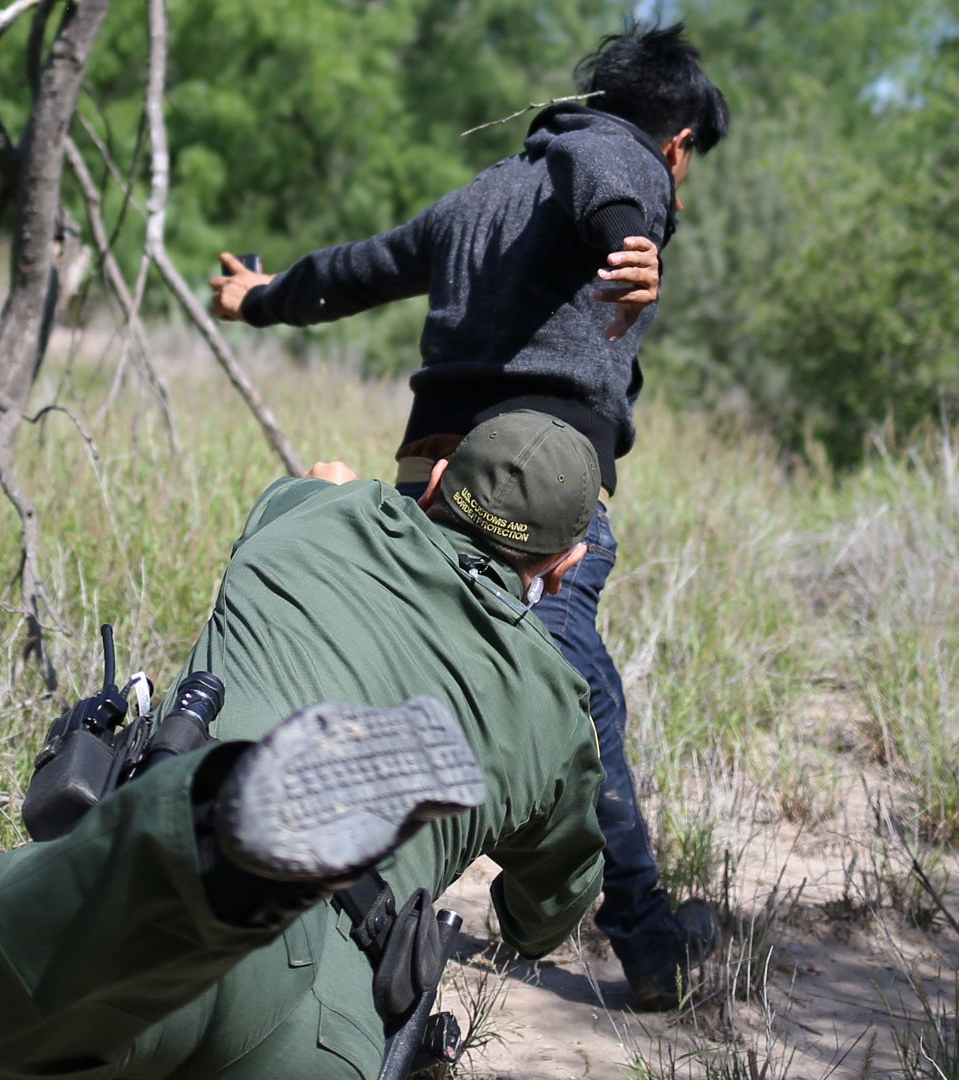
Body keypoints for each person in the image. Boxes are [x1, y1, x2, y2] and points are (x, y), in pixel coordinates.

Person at [209, 22, 729, 1010]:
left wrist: (264, 297)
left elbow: (362, 268)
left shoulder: (483, 196)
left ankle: (320, 887)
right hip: (537, 496)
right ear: (678, 144)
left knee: (411, 675)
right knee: (578, 701)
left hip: (430, 487)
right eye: (683, 163)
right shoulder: (619, 156)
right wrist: (632, 240)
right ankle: (649, 946)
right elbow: (607, 174)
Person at [0, 411, 609, 1080]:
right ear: (565, 565)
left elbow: (317, 490)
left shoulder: (315, 511)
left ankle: (194, 845)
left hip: (158, 892)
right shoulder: (556, 706)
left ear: (434, 481)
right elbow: (545, 918)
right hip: (323, 1022)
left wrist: (333, 492)